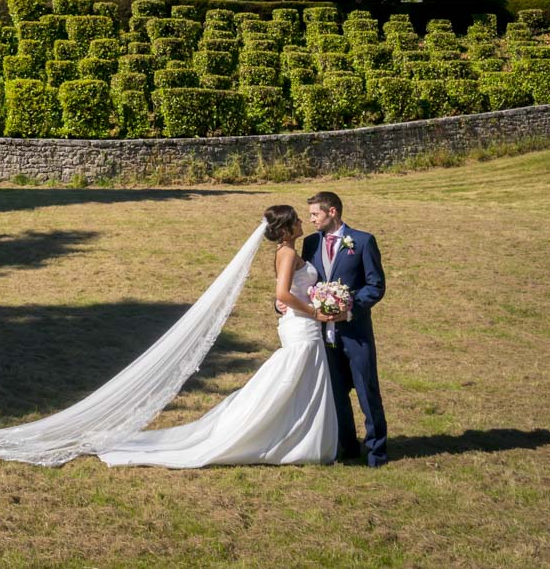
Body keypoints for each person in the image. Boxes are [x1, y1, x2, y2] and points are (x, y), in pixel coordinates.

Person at [96, 205, 337, 467]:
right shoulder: (288, 253)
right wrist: (315, 312)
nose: (303, 221)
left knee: (298, 380)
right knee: (289, 378)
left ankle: (296, 435)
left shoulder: (285, 251)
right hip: (302, 325)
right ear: (286, 229)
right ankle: (273, 433)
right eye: (297, 220)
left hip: (300, 324)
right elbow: (283, 294)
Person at [299, 190, 388, 466]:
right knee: (336, 393)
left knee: (366, 391)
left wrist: (348, 309)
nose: (311, 219)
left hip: (355, 331)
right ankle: (347, 448)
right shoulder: (311, 243)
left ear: (332, 212)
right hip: (323, 335)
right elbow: (305, 284)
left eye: (315, 214)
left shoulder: (362, 241)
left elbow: (376, 285)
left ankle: (377, 453)